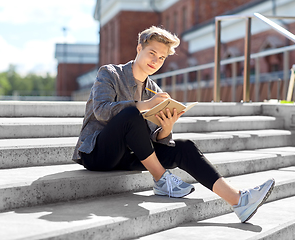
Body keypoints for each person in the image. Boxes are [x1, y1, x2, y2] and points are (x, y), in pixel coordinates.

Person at [72, 26, 275, 223]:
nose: (156, 61)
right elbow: (102, 110)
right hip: (97, 154)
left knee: (184, 146)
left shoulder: (153, 89)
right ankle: (162, 180)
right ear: (139, 48)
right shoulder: (110, 73)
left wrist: (167, 127)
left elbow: (150, 140)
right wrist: (145, 105)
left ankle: (239, 200)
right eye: (152, 53)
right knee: (131, 114)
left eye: (161, 57)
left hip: (128, 156)